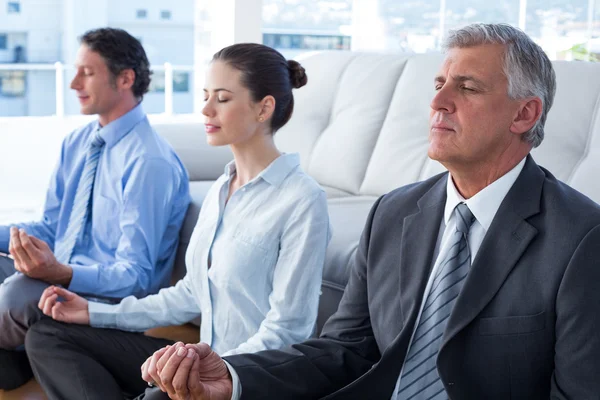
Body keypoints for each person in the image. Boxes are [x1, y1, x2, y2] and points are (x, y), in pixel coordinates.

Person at [107, 23, 600, 400]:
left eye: (467, 88)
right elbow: (346, 350)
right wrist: (233, 376)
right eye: (438, 83)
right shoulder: (395, 212)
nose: (438, 101)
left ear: (524, 114)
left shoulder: (581, 237)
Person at [27, 43, 331, 400]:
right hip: (197, 362)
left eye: (222, 98)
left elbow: (289, 329)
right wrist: (93, 312)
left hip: (242, 378)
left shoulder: (301, 200)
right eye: (205, 96)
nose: (205, 109)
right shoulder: (222, 188)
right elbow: (189, 294)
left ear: (264, 107)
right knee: (49, 334)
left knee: (158, 392)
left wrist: (207, 373)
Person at [0, 27, 190, 390]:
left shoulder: (149, 162)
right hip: (58, 270)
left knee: (12, 295)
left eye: (87, 72)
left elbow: (137, 276)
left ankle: (16, 360)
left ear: (125, 79)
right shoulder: (78, 143)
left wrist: (62, 273)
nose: (73, 83)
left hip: (103, 295)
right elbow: (52, 227)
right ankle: (14, 362)